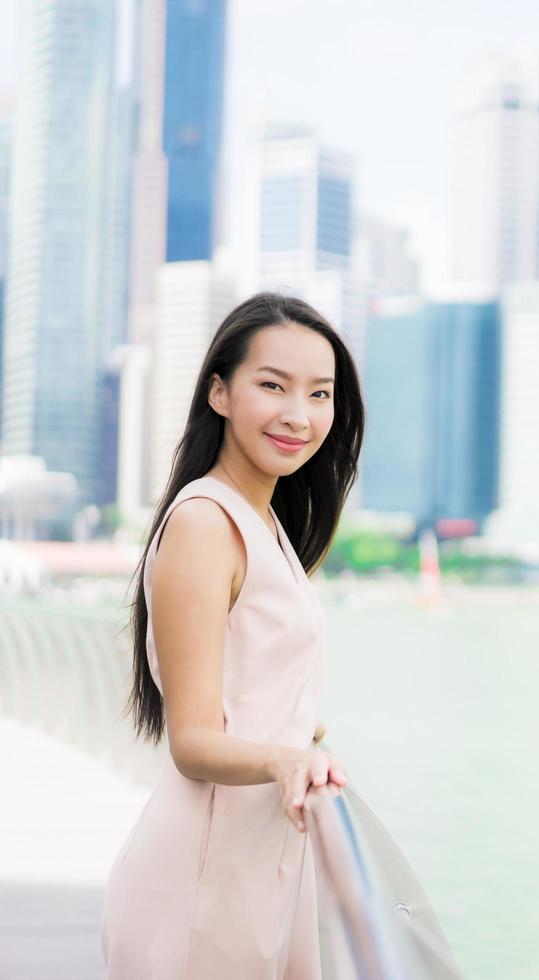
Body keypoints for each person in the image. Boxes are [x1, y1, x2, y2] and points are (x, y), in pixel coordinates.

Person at [102, 293, 365, 978]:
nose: (298, 415)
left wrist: (297, 729)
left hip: (256, 867)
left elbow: (252, 677)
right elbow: (192, 742)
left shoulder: (265, 524)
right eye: (272, 386)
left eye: (319, 394)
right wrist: (283, 760)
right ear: (219, 392)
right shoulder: (204, 523)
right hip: (199, 889)